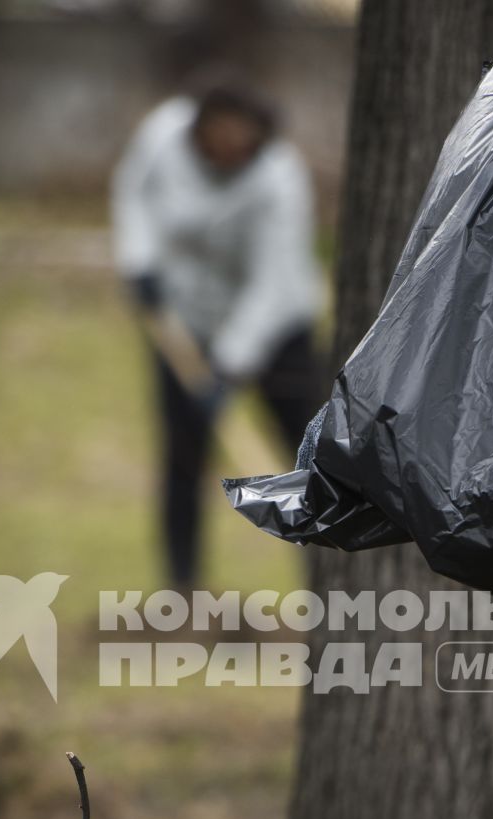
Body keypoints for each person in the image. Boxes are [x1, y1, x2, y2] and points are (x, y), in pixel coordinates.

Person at [112, 81, 324, 592]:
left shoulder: (279, 179)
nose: (226, 149)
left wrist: (228, 364)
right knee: (182, 455)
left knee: (314, 455)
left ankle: (331, 580)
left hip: (276, 328)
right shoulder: (164, 134)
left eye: (240, 140)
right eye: (216, 136)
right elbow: (133, 194)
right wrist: (138, 264)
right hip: (182, 322)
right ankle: (183, 590)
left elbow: (272, 283)